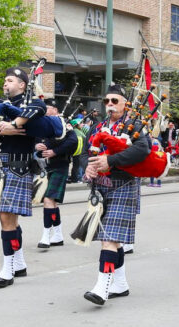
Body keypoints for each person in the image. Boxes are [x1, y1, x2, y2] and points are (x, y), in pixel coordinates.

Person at [0, 68, 46, 287]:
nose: (5, 83)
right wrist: (1, 130)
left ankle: (8, 269)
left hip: (18, 168)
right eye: (5, 80)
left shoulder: (31, 103)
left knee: (7, 217)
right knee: (7, 219)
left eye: (10, 80)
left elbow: (39, 108)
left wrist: (14, 124)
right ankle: (19, 262)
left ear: (22, 85)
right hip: (0, 169)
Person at [83, 84, 150, 304]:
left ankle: (102, 287)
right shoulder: (97, 126)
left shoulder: (135, 125)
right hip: (100, 188)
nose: (110, 105)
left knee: (108, 239)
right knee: (113, 240)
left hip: (123, 185)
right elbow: (86, 152)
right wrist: (88, 166)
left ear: (125, 104)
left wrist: (110, 161)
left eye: (115, 101)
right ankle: (120, 284)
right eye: (107, 101)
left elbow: (142, 150)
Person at [35, 98, 78, 249]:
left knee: (47, 200)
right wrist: (39, 147)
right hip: (48, 167)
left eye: (48, 108)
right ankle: (58, 234)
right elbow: (40, 150)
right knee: (52, 202)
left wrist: (54, 151)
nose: (45, 110)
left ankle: (46, 235)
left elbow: (73, 142)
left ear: (55, 109)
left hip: (61, 165)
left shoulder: (63, 123)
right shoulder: (44, 125)